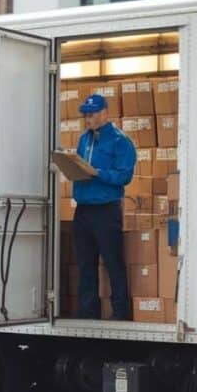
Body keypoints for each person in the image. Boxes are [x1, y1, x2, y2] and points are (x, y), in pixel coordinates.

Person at [72, 93, 136, 320]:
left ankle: (120, 311)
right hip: (84, 209)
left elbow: (124, 175)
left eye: (91, 114)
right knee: (85, 263)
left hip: (106, 209)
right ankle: (88, 311)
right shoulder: (84, 139)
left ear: (104, 113)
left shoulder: (120, 141)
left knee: (112, 261)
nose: (88, 119)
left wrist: (97, 173)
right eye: (86, 115)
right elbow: (79, 165)